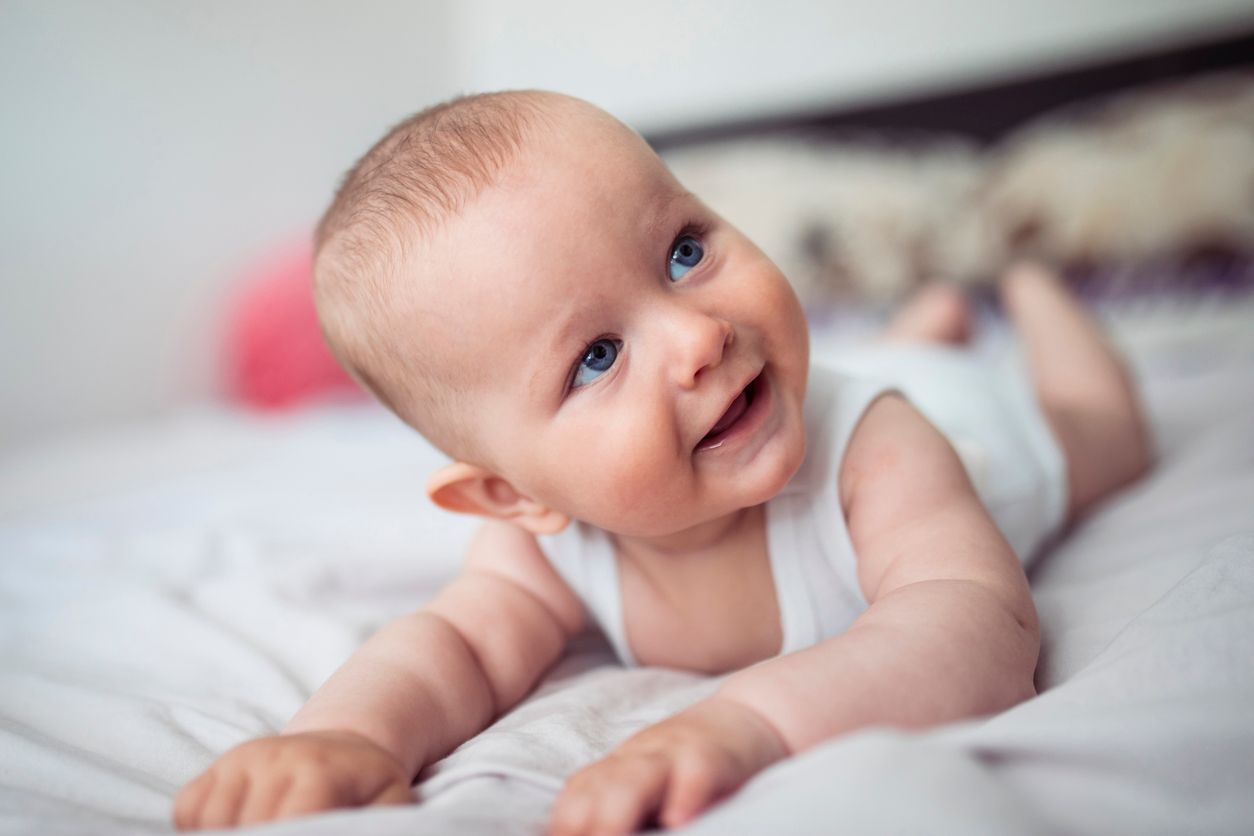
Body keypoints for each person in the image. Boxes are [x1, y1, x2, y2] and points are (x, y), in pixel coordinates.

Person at [173, 91, 1151, 834]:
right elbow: (454, 649)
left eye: (684, 250)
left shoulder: (881, 450)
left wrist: (748, 724)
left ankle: (1035, 292)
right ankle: (924, 327)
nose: (697, 336)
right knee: (902, 353)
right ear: (514, 493)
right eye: (596, 357)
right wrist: (349, 735)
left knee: (1103, 434)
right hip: (849, 389)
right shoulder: (539, 547)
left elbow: (977, 624)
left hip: (977, 431)